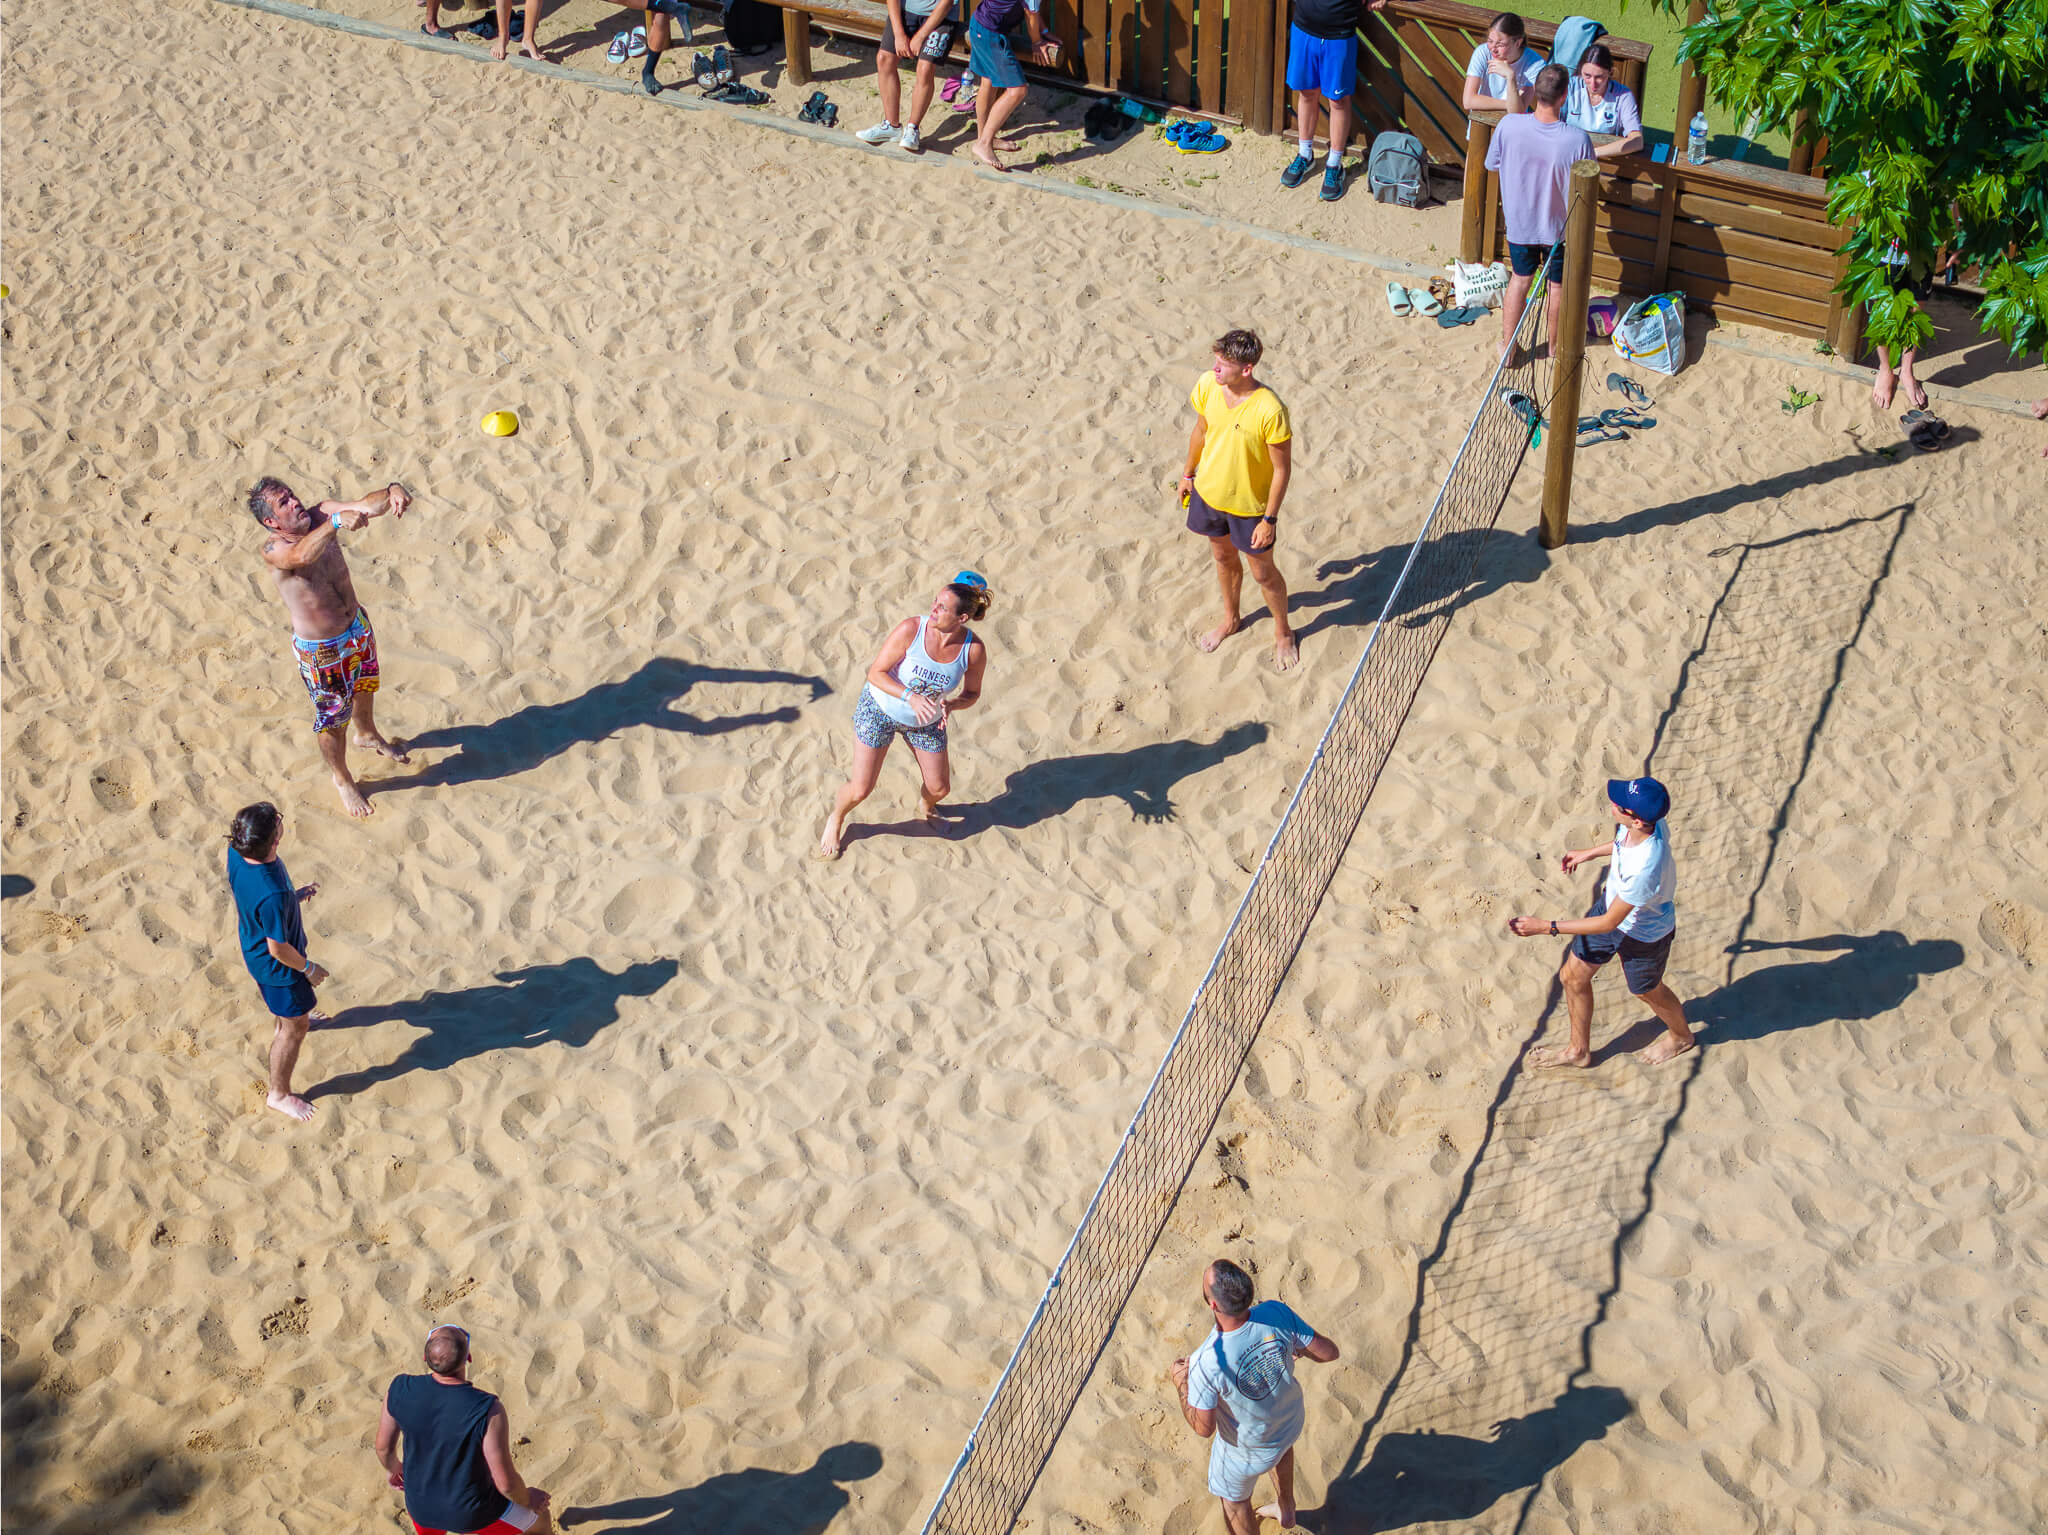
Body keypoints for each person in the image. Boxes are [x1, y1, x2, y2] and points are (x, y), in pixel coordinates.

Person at [1506, 775, 1697, 1068]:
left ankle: (1682, 1037)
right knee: (1572, 976)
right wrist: (1589, 853)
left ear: (1635, 819)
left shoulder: (1645, 867)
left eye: (1619, 804)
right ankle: (1578, 1051)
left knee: (1647, 991)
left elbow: (1609, 923)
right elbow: (1623, 843)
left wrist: (1547, 927)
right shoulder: (1650, 822)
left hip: (1643, 934)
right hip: (1613, 905)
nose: (1612, 803)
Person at [250, 475, 411, 818]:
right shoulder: (274, 548)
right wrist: (336, 523)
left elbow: (368, 505)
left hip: (356, 626)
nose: (295, 502)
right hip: (323, 651)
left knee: (367, 685)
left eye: (292, 494)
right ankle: (342, 778)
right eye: (284, 503)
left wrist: (392, 489)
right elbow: (299, 555)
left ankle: (367, 734)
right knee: (333, 720)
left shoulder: (321, 513)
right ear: (271, 522)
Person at [817, 572, 991, 859]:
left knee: (940, 787)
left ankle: (926, 808)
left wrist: (952, 705)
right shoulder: (912, 629)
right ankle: (836, 817)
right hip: (879, 710)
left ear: (962, 619)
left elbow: (972, 693)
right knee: (861, 789)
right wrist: (911, 696)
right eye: (935, 602)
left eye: (942, 608)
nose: (933, 609)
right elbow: (875, 673)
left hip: (925, 722)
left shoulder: (973, 650)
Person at [1168, 1258, 1340, 1535]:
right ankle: (1286, 1509)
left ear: (1213, 1305)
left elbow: (1204, 1428)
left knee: (1235, 1506)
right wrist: (1296, 1349)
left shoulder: (1207, 1360)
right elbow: (1329, 1352)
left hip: (1246, 1450)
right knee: (1281, 1449)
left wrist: (1181, 1385)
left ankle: (1284, 1509)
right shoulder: (1275, 1312)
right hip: (1289, 1422)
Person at [1178, 330, 1298, 672]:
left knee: (1263, 573)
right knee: (1222, 557)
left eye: (1223, 364)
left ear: (1246, 369)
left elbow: (1281, 470)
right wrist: (1188, 474)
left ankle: (1283, 632)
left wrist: (1269, 520)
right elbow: (1201, 431)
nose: (1215, 369)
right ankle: (1231, 619)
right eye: (1215, 361)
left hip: (1250, 509)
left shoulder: (1270, 410)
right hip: (1210, 495)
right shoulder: (1207, 386)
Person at [376, 1325, 554, 1535]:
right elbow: (505, 1483)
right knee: (540, 1519)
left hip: (420, 1508)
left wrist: (394, 1469)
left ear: (425, 1358)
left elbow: (383, 1449)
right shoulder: (488, 1409)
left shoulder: (400, 1388)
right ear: (468, 1358)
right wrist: (527, 1499)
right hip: (472, 1514)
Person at [1483, 64, 1592, 361]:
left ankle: (1508, 348)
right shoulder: (1578, 139)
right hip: (1559, 230)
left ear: (1537, 93)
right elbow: (1588, 187)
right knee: (1557, 287)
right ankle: (1556, 349)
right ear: (1564, 96)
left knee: (1519, 280)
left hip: (1520, 226)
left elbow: (1491, 165)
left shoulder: (1509, 125)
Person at [226, 802, 326, 1124]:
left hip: (253, 945)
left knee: (289, 1014)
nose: (281, 821)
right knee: (295, 1028)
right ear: (274, 841)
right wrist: (309, 969)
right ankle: (279, 1094)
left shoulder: (236, 852)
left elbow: (254, 897)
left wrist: (291, 899)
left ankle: (286, 1017)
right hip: (278, 970)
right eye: (277, 822)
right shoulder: (272, 896)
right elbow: (279, 949)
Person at [1280, 0, 1361, 201]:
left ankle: (1334, 164)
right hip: (1303, 27)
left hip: (1340, 34)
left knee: (1338, 101)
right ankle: (1305, 154)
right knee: (1306, 93)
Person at [854, 0, 958, 153]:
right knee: (884, 59)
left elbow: (947, 3)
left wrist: (920, 36)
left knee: (925, 68)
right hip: (906, 13)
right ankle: (891, 125)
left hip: (940, 18)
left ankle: (913, 128)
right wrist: (898, 34)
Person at [967, 0, 1054, 171]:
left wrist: (1043, 31)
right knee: (1017, 90)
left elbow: (1030, 8)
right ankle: (984, 143)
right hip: (990, 34)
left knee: (988, 82)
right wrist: (1037, 42)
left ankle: (985, 139)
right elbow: (1031, 13)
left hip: (979, 25)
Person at [1563, 44, 1642, 159]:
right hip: (1569, 153)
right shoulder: (1570, 86)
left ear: (1610, 73)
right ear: (1580, 71)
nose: (1593, 84)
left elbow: (1637, 140)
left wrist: (1592, 153)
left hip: (1604, 158)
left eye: (1599, 77)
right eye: (1587, 76)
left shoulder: (1623, 96)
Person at [1461, 12, 1544, 116]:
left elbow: (1518, 112)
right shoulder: (1483, 52)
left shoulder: (1534, 64)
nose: (1493, 49)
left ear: (1518, 43)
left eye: (1500, 44)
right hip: (1481, 125)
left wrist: (1510, 77)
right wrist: (1509, 104)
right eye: (1490, 41)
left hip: (1512, 128)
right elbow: (1468, 101)